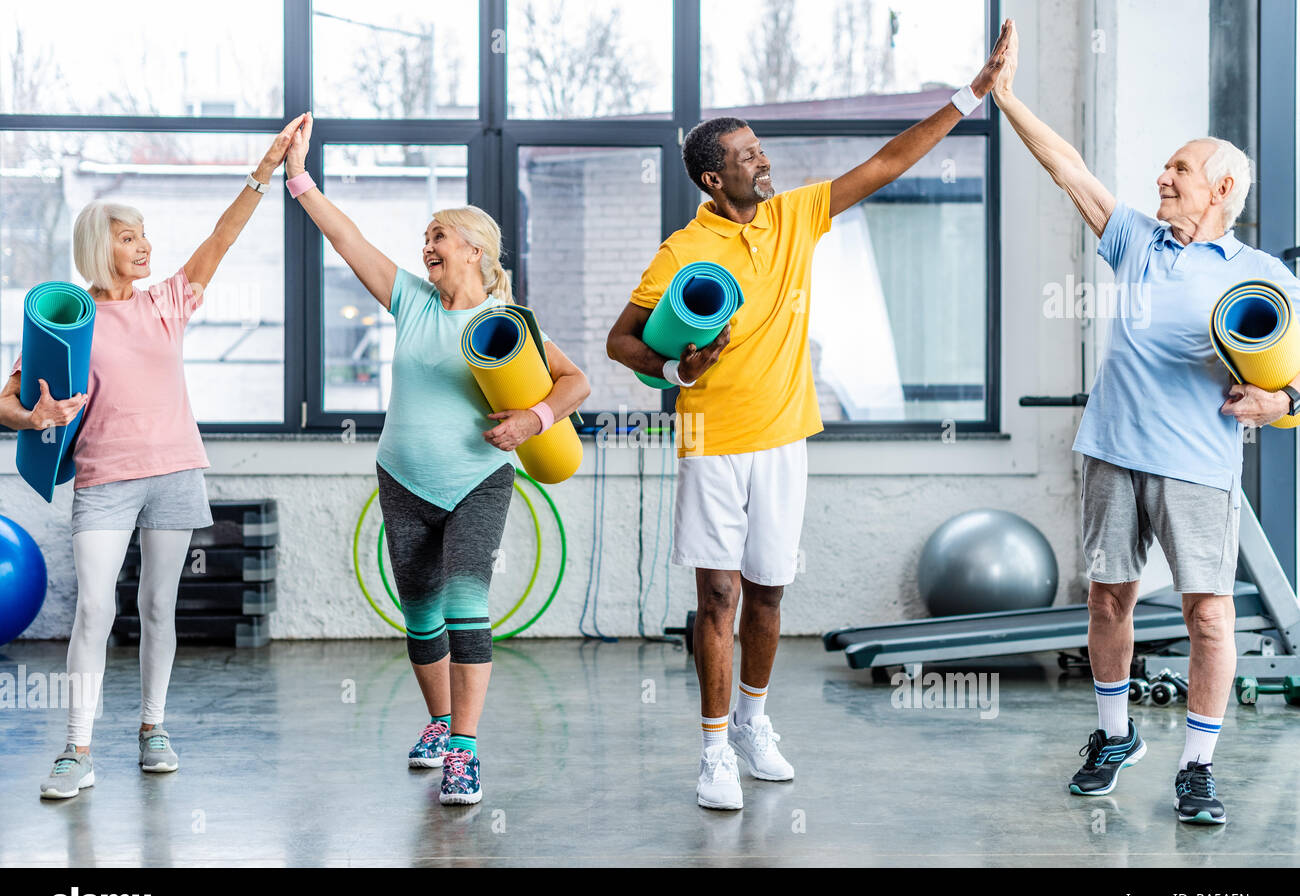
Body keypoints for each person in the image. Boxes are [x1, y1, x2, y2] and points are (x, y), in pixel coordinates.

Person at [607, 24, 1012, 810]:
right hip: (709, 435)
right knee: (717, 595)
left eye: (761, 148)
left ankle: (755, 725)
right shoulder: (682, 251)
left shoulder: (794, 218)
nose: (764, 159)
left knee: (768, 593)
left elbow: (888, 162)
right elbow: (620, 340)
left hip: (785, 435)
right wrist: (671, 367)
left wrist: (973, 92)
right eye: (748, 152)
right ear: (709, 176)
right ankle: (715, 748)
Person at [992, 19, 1300, 824]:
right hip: (1112, 453)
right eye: (1164, 165)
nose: (1163, 177)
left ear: (1222, 189)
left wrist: (1283, 404)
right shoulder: (1135, 240)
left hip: (1198, 465)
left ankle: (1196, 765)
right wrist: (1007, 98)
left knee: (1209, 614)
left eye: (1181, 168)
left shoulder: (1263, 277)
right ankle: (1113, 734)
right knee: (1108, 601)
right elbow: (1070, 168)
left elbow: (1292, 384)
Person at [283, 114, 589, 805]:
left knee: (463, 600)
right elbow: (347, 238)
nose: (427, 245)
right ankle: (440, 723)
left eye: (439, 236)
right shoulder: (412, 302)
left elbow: (577, 381)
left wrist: (532, 418)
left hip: (478, 478)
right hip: (403, 478)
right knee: (419, 612)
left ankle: (466, 753)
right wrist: (299, 176)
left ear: (477, 249)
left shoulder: (507, 322)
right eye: (425, 237)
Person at [0, 115, 307, 799]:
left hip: (174, 470)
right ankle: (77, 750)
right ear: (97, 246)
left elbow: (220, 240)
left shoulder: (168, 300)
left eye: (145, 236)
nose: (144, 247)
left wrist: (265, 171)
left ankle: (152, 728)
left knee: (160, 604)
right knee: (93, 610)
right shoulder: (67, 316)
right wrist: (37, 415)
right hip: (106, 480)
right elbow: (8, 402)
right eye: (129, 236)